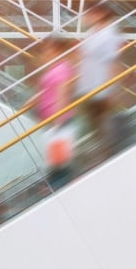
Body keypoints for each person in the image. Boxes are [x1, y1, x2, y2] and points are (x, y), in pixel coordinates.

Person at [76, 4, 124, 159]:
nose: (85, 17)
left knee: (103, 121)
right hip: (88, 86)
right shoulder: (92, 32)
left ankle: (109, 154)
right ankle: (103, 153)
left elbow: (113, 62)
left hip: (101, 86)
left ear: (99, 14)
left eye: (89, 13)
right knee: (94, 122)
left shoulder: (109, 34)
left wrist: (111, 89)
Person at [29, 36, 76, 188]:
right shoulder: (55, 66)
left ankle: (60, 189)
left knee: (59, 162)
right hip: (53, 121)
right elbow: (48, 89)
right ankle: (56, 186)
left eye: (47, 48)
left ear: (57, 49)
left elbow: (62, 93)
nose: (44, 52)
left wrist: (58, 121)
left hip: (59, 121)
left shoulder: (62, 68)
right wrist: (35, 100)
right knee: (55, 159)